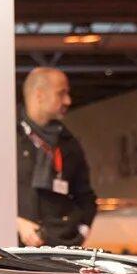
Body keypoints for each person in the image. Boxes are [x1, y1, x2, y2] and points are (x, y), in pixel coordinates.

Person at [15, 67, 96, 247]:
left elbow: (86, 196)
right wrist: (15, 221)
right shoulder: (8, 134)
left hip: (60, 245)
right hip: (12, 248)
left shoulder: (68, 142)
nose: (68, 100)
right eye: (61, 93)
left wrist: (81, 232)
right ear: (39, 95)